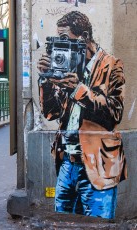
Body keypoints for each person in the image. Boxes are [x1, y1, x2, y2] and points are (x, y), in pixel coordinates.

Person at [37, 11, 127, 219]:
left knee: (98, 223)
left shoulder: (111, 64)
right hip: (67, 162)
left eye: (65, 38)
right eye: (58, 39)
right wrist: (45, 80)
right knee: (64, 221)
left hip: (99, 164)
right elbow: (51, 113)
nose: (61, 45)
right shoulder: (66, 64)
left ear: (84, 37)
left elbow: (115, 113)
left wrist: (79, 90)